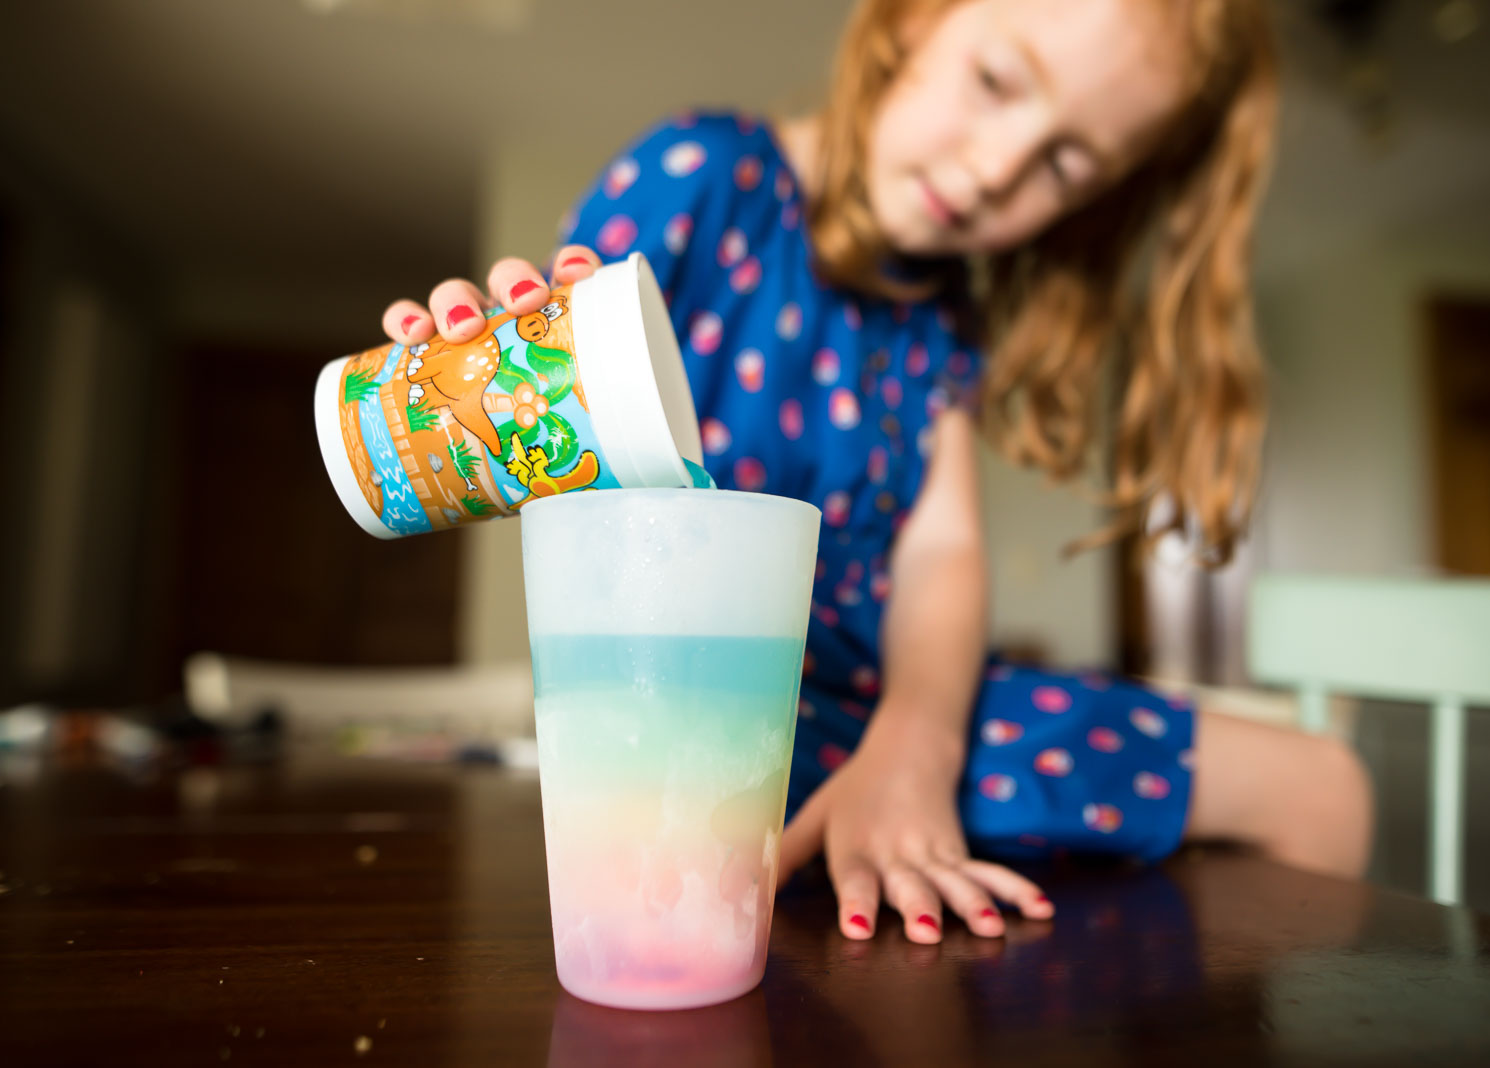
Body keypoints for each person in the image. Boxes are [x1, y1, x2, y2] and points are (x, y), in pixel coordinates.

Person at [379, 0, 1373, 945]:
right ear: (911, 18)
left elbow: (943, 555)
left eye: (1065, 163)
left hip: (894, 718)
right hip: (696, 714)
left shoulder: (943, 318)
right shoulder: (703, 172)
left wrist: (916, 748)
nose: (996, 169)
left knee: (1324, 787)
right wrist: (487, 391)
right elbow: (559, 403)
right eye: (994, 81)